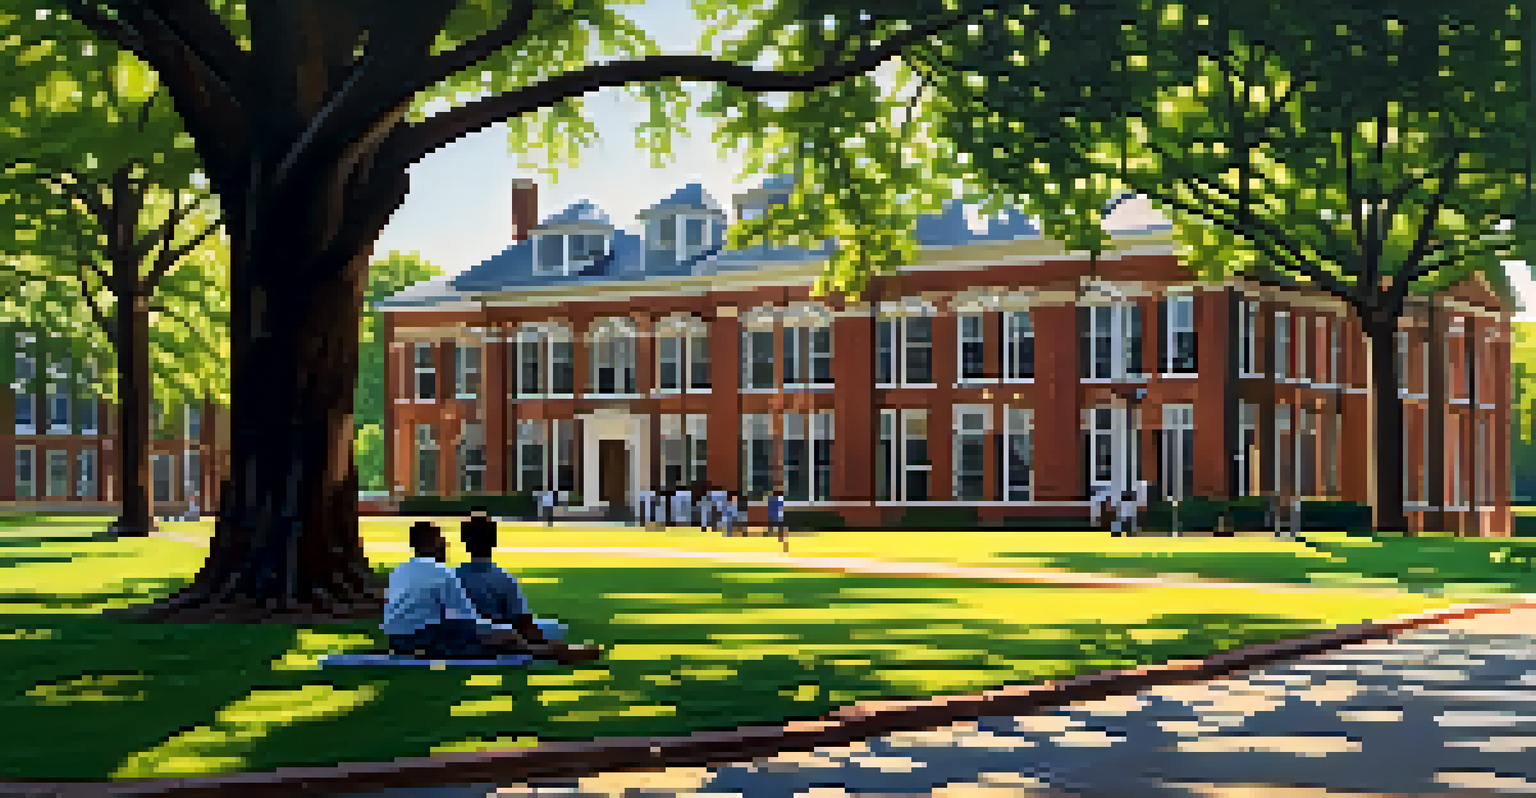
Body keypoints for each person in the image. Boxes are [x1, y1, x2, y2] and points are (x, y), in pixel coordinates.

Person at [382, 520, 599, 664]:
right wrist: (504, 632)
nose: (445, 545)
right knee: (508, 637)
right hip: (422, 640)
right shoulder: (444, 573)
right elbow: (469, 619)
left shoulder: (400, 569)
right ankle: (553, 652)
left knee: (506, 634)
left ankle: (542, 647)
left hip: (397, 639)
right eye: (441, 540)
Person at [457, 512, 570, 646]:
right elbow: (522, 620)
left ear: (464, 540)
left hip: (464, 635)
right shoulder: (502, 578)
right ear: (494, 540)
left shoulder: (453, 575)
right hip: (498, 635)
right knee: (556, 627)